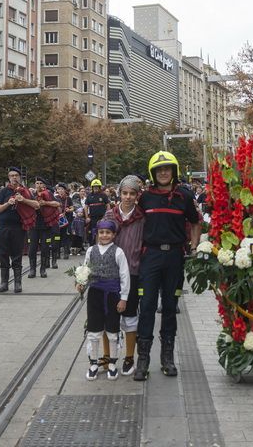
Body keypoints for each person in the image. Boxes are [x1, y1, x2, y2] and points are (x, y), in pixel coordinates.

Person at [133, 151, 200, 381]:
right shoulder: (145, 198)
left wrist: (193, 247)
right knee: (148, 306)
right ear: (153, 173)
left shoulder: (183, 196)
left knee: (170, 308)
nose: (163, 172)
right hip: (150, 257)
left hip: (174, 257)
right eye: (159, 169)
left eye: (167, 169)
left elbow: (195, 222)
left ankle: (167, 358)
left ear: (174, 171)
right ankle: (143, 360)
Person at [103, 174, 145, 375]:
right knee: (108, 316)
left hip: (133, 271)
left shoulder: (142, 217)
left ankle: (129, 356)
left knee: (129, 315)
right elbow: (101, 242)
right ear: (119, 193)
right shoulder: (110, 216)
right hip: (110, 275)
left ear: (137, 196)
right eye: (125, 193)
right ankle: (107, 357)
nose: (128, 197)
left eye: (132, 194)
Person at [80, 219, 130, 381]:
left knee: (112, 331)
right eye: (101, 232)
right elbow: (85, 270)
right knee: (94, 331)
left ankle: (112, 364)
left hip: (112, 295)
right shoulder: (91, 251)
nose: (104, 235)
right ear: (97, 234)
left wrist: (123, 299)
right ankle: (94, 363)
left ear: (114, 235)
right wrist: (80, 283)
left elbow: (125, 276)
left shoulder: (118, 252)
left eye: (108, 232)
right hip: (95, 294)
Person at [0, 167, 40, 293]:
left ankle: (17, 283)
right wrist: (8, 203)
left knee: (17, 255)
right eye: (11, 175)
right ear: (9, 178)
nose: (14, 177)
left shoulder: (25, 191)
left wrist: (23, 200)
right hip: (3, 227)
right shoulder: (4, 191)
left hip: (18, 228)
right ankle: (4, 283)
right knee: (3, 254)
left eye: (16, 175)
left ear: (20, 177)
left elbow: (36, 205)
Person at [29, 177, 60, 277]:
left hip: (45, 226)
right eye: (36, 183)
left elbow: (57, 203)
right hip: (33, 225)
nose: (38, 185)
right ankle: (32, 269)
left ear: (44, 185)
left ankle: (43, 269)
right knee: (32, 248)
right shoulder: (31, 195)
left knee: (45, 247)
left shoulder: (48, 194)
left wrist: (46, 203)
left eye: (40, 183)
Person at [85, 179, 110, 247]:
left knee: (102, 231)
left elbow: (108, 205)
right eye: (94, 187)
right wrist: (87, 217)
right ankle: (93, 246)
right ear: (92, 187)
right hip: (92, 218)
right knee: (93, 232)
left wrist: (107, 216)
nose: (96, 188)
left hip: (102, 218)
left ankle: (102, 245)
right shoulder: (89, 196)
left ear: (99, 187)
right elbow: (86, 207)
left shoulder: (103, 195)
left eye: (97, 187)